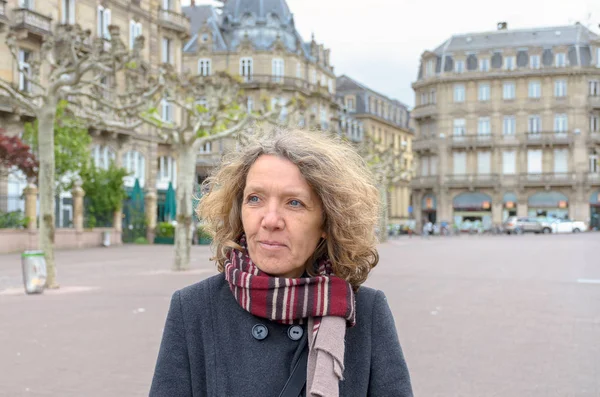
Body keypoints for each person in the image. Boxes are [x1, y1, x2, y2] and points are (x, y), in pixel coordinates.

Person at [149, 128, 413, 397]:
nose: (270, 220)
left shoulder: (365, 313)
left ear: (327, 219)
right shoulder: (193, 309)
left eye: (294, 203)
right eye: (255, 199)